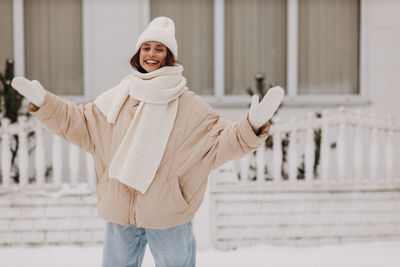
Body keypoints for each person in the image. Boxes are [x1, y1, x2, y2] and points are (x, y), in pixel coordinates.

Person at [12, 17, 284, 267]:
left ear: (169, 56)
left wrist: (253, 124)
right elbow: (78, 121)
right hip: (120, 213)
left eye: (159, 49)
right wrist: (45, 103)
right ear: (138, 53)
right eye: (146, 48)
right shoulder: (117, 97)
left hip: (168, 216)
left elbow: (222, 142)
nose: (151, 54)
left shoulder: (188, 105)